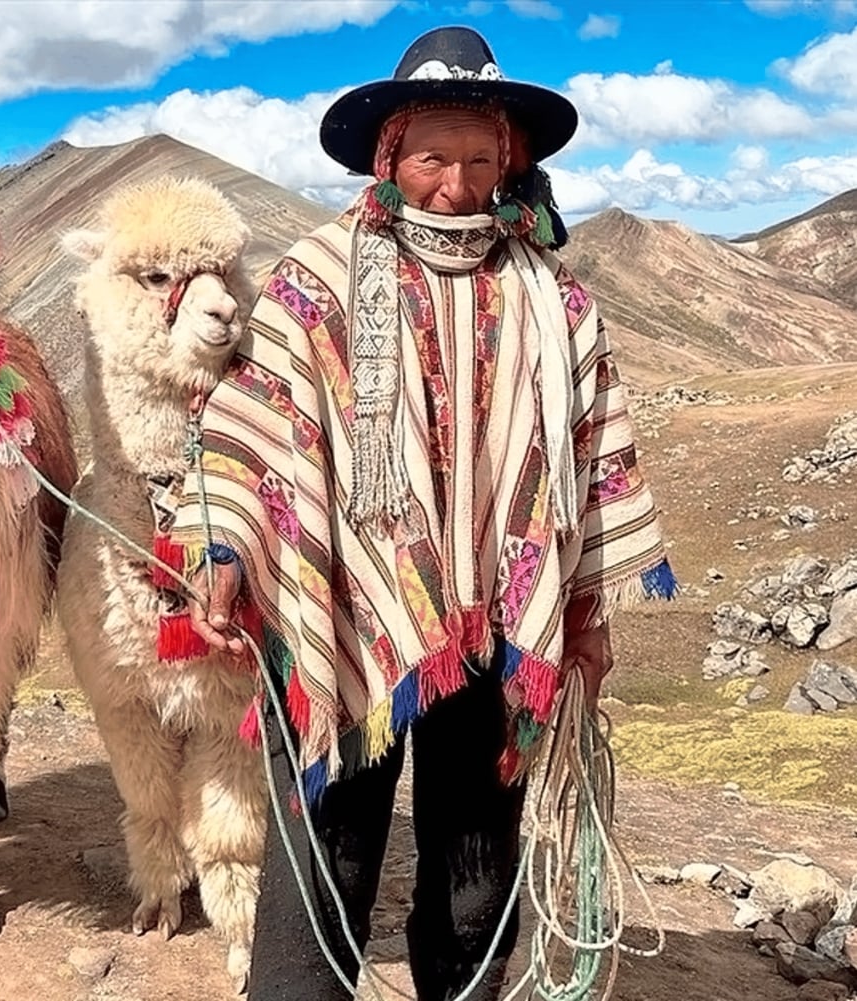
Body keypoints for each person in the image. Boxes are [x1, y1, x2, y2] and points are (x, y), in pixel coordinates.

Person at [159, 25, 677, 1001]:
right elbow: (245, 428)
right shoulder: (318, 280)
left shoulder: (555, 301)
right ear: (391, 155)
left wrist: (584, 612)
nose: (457, 184)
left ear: (510, 162)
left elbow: (590, 455)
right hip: (342, 617)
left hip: (494, 631)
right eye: (435, 158)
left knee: (475, 878)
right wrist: (222, 548)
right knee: (328, 861)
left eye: (481, 159)